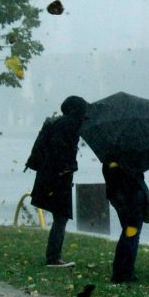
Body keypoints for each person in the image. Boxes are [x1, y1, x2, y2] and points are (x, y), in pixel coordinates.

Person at [26, 96, 87, 268]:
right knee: (61, 216)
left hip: (49, 176)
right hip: (58, 178)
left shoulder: (57, 124)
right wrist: (67, 167)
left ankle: (53, 256)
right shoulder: (68, 126)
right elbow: (60, 150)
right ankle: (53, 258)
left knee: (60, 216)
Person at [102, 162, 149, 283]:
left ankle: (119, 271)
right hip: (131, 193)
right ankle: (125, 272)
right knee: (132, 234)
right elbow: (132, 173)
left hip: (118, 194)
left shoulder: (109, 155)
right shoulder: (130, 154)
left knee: (127, 232)